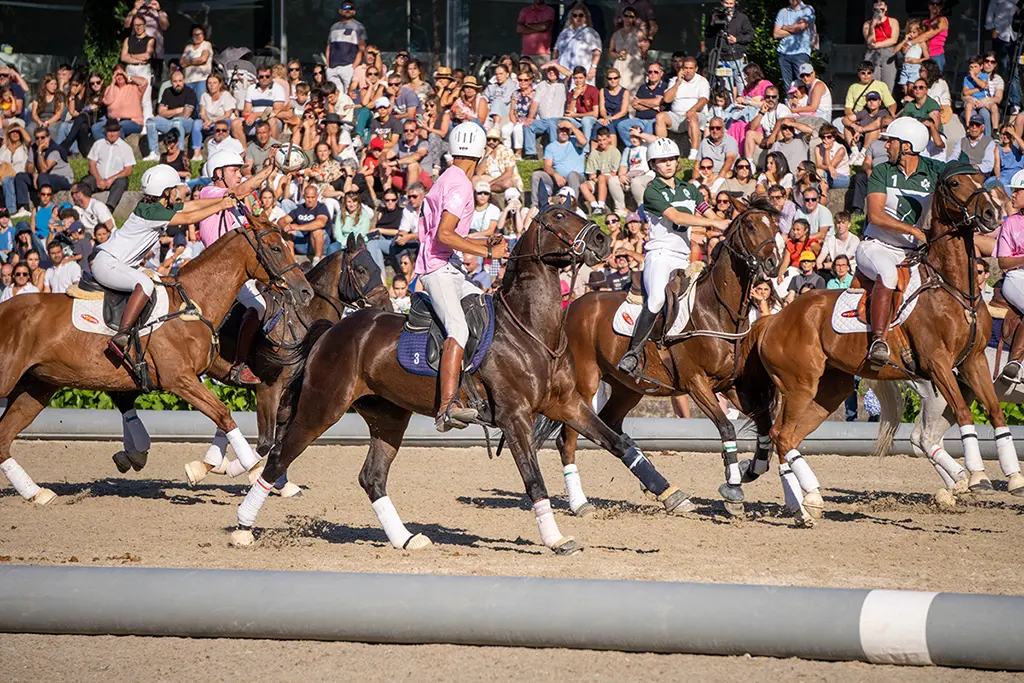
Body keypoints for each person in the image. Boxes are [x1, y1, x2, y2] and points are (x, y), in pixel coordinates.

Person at [416, 123, 510, 431]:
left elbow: (451, 232)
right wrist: (485, 253)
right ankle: (447, 406)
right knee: (458, 327)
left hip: (450, 265)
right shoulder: (461, 185)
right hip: (438, 268)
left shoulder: (449, 177)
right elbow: (444, 234)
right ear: (481, 154)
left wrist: (484, 243)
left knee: (485, 309)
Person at [92, 165, 235, 359]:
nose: (178, 192)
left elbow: (191, 206)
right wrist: (221, 206)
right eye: (174, 188)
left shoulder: (155, 207)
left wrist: (222, 200)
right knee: (145, 284)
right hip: (108, 263)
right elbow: (189, 217)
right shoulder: (152, 213)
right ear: (165, 192)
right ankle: (121, 336)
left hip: (116, 263)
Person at [617, 138, 729, 375]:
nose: (668, 164)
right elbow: (677, 217)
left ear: (677, 162)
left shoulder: (690, 189)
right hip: (659, 255)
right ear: (654, 164)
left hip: (684, 257)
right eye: (662, 161)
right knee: (657, 299)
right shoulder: (652, 191)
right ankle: (633, 353)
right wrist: (715, 222)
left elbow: (708, 212)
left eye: (671, 160)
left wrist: (727, 223)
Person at [857, 117, 944, 367]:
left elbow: (960, 173)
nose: (886, 146)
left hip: (911, 254)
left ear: (906, 146)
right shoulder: (883, 171)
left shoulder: (932, 170)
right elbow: (875, 215)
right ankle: (878, 341)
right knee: (888, 274)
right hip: (876, 247)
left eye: (890, 142)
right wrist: (915, 231)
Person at [196, 151, 276, 383]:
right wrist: (268, 171)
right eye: (235, 171)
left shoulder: (239, 205)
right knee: (259, 307)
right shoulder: (209, 192)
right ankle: (239, 366)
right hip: (217, 272)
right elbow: (240, 191)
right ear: (218, 174)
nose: (240, 175)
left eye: (241, 171)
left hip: (237, 271)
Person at [997, 170, 1024, 381]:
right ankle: (1014, 362)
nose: (1012, 195)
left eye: (1017, 191)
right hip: (1016, 278)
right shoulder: (1010, 222)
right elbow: (1003, 262)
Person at [657, 56, 709, 159]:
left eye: (691, 68)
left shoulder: (702, 81)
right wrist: (678, 83)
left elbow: (704, 99)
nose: (688, 71)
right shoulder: (674, 80)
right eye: (686, 68)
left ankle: (694, 153)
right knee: (660, 117)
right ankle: (662, 148)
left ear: (696, 69)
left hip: (696, 115)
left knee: (692, 116)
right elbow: (667, 99)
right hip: (677, 116)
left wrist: (692, 110)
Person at [79, 119, 135, 212]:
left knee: (121, 182)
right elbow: (92, 163)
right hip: (97, 178)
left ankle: (109, 209)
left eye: (115, 131)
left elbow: (128, 170)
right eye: (110, 131)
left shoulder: (126, 148)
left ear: (119, 132)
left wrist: (111, 179)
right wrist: (98, 178)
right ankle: (83, 207)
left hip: (115, 180)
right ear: (105, 132)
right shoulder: (98, 144)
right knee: (84, 183)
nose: (112, 134)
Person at [531, 118, 587, 210]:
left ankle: (573, 207)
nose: (564, 133)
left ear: (570, 131)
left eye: (566, 130)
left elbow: (584, 141)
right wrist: (555, 175)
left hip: (576, 178)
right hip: (558, 179)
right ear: (557, 131)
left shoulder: (575, 142)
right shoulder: (551, 147)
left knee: (572, 175)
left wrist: (571, 125)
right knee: (537, 175)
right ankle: (536, 206)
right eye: (562, 130)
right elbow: (547, 166)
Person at [231, 67, 287, 146]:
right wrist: (248, 117)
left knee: (272, 120)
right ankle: (244, 151)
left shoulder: (278, 89)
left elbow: (276, 111)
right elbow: (246, 110)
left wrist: (256, 114)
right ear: (257, 77)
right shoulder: (251, 89)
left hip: (270, 118)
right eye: (261, 76)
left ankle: (274, 149)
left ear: (271, 77)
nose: (264, 78)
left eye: (267, 76)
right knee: (235, 123)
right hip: (254, 120)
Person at [615, 62, 665, 147]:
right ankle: (633, 148)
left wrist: (640, 101)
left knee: (647, 132)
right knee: (621, 126)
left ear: (661, 73)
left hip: (653, 120)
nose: (652, 74)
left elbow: (658, 102)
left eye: (655, 72)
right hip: (639, 119)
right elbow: (634, 104)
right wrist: (653, 106)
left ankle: (645, 151)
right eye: (650, 72)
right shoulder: (643, 87)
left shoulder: (664, 86)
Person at [91, 66, 146, 141]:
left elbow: (144, 82)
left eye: (121, 74)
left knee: (118, 127)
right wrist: (113, 84)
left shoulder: (134, 87)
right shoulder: (110, 88)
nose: (119, 77)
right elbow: (108, 101)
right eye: (116, 75)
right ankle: (107, 147)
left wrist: (127, 76)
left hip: (133, 121)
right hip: (114, 121)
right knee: (95, 128)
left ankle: (116, 149)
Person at [553, 3, 602, 85]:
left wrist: (593, 68)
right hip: (563, 71)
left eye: (581, 15)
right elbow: (556, 50)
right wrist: (554, 64)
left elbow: (597, 52)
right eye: (575, 15)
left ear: (586, 17)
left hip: (582, 71)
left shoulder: (591, 33)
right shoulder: (564, 33)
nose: (578, 18)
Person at [986, 0, 1021, 114]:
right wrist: (993, 29)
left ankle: (1015, 102)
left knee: (1014, 70)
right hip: (1001, 35)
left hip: (1016, 36)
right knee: (1003, 68)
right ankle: (1001, 99)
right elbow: (990, 14)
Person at [121, 10, 156, 123]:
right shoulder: (128, 40)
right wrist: (136, 58)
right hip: (130, 69)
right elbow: (123, 57)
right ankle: (132, 122)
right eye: (135, 25)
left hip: (143, 69)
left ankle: (147, 124)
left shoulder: (150, 40)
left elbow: (147, 56)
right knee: (131, 97)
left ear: (144, 25)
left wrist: (131, 55)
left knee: (145, 98)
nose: (138, 27)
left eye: (140, 25)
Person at [773, 0, 816, 92]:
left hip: (801, 52)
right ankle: (790, 104)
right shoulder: (783, 12)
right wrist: (794, 29)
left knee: (803, 83)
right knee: (787, 86)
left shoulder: (807, 9)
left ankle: (804, 105)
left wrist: (784, 27)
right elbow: (776, 33)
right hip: (783, 52)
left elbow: (801, 27)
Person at [326, 1, 367, 94]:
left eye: (350, 9)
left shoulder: (358, 27)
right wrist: (328, 65)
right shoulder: (334, 27)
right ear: (340, 11)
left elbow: (362, 48)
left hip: (348, 66)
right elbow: (329, 46)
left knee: (348, 95)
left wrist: (353, 67)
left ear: (354, 12)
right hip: (333, 67)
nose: (348, 10)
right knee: (333, 95)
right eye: (345, 8)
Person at [745, 85, 792, 162]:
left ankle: (779, 162)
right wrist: (761, 113)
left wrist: (772, 136)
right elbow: (752, 128)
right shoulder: (763, 109)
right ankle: (749, 163)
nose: (770, 99)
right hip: (766, 137)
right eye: (768, 97)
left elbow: (781, 121)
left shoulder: (782, 107)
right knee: (749, 133)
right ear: (764, 97)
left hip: (779, 136)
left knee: (780, 133)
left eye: (773, 97)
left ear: (777, 97)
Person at [863, 0, 900, 93]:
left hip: (887, 52)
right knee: (872, 84)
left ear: (886, 8)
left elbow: (894, 39)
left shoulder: (892, 21)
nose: (879, 12)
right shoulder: (867, 24)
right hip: (873, 54)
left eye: (882, 9)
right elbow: (870, 41)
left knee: (888, 85)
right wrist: (872, 26)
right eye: (876, 10)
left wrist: (878, 45)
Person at [901, 78, 945, 158]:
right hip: (915, 135)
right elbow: (904, 123)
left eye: (921, 87)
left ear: (926, 90)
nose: (917, 90)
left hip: (933, 135)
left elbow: (935, 128)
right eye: (915, 87)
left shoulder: (932, 104)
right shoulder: (909, 106)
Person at [609, 7, 646, 94]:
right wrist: (618, 55)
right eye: (626, 16)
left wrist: (642, 61)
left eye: (631, 16)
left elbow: (644, 49)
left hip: (634, 65)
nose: (628, 19)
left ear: (634, 19)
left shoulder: (639, 33)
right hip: (620, 65)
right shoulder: (616, 34)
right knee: (619, 91)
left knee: (635, 91)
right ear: (622, 17)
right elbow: (610, 51)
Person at [564, 66, 599, 142]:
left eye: (580, 78)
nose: (578, 80)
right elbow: (569, 113)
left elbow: (595, 113)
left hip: (590, 119)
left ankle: (585, 149)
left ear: (585, 78)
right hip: (578, 119)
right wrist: (575, 97)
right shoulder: (572, 93)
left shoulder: (593, 90)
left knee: (585, 120)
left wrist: (575, 115)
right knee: (565, 120)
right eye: (576, 78)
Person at [914, 0, 949, 73]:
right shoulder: (925, 22)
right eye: (932, 3)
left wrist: (910, 43)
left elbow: (928, 35)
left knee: (935, 80)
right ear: (928, 5)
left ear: (942, 6)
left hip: (936, 55)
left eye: (938, 4)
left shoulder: (942, 20)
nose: (935, 6)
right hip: (923, 55)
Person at [518, 0, 556, 64]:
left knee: (541, 74)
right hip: (526, 53)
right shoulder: (525, 10)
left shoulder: (549, 10)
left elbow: (545, 26)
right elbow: (519, 29)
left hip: (543, 54)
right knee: (525, 74)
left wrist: (528, 25)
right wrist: (538, 28)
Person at [181, 24, 213, 100]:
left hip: (202, 80)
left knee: (200, 102)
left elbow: (203, 59)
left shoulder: (206, 44)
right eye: (195, 35)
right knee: (189, 104)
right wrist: (195, 61)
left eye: (199, 34)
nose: (197, 36)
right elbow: (182, 63)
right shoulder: (188, 47)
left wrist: (188, 62)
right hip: (189, 80)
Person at [814, 124, 850, 189]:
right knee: (816, 172)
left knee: (819, 174)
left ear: (833, 137)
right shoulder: (818, 148)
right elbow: (819, 165)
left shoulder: (840, 149)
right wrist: (829, 168)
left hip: (841, 177)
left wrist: (827, 150)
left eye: (828, 137)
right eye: (823, 137)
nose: (825, 139)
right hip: (827, 173)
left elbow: (832, 166)